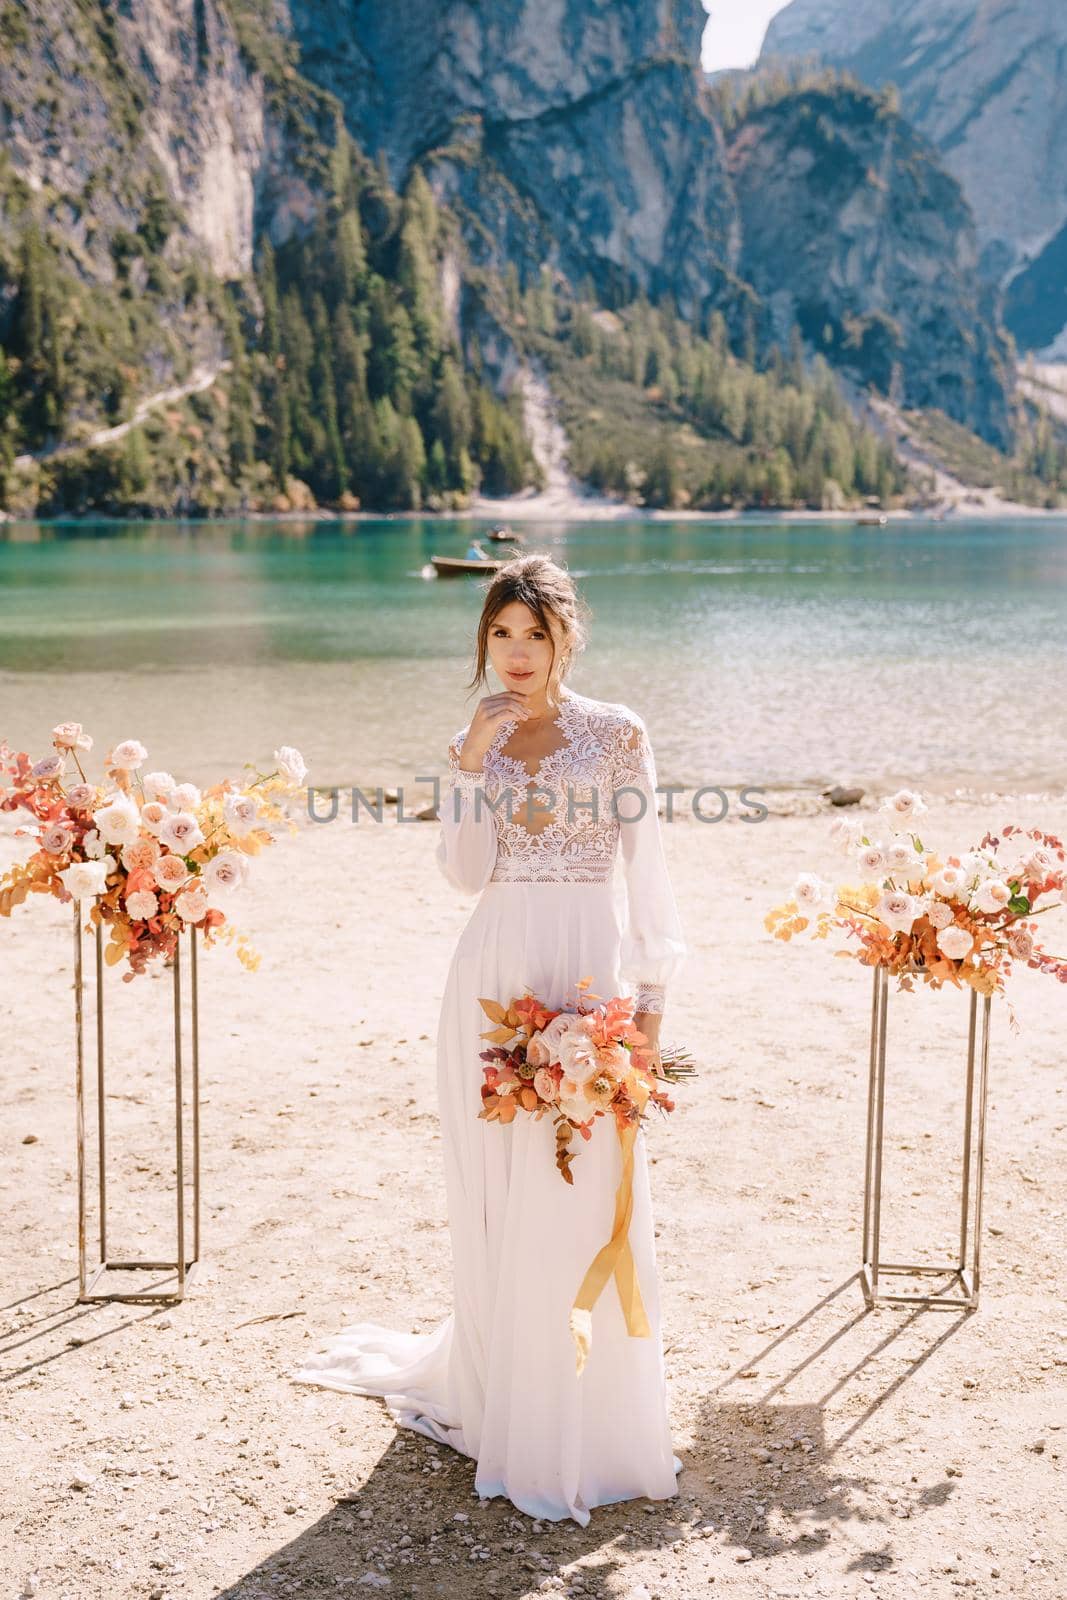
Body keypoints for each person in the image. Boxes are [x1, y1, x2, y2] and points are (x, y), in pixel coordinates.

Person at [292, 553, 688, 1525]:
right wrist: (468, 764)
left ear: (566, 636)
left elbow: (648, 869)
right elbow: (464, 874)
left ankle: (590, 1411)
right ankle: (508, 1391)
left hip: (586, 958)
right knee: (500, 1183)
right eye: (498, 636)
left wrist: (650, 998)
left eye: (533, 634)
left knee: (587, 1181)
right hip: (493, 967)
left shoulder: (617, 732)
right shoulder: (480, 738)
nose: (514, 654)